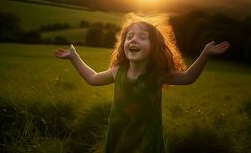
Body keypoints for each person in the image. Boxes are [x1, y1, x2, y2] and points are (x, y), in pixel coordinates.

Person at [54, 14, 230, 153]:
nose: (133, 40)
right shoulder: (118, 72)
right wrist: (73, 57)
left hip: (146, 142)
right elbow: (92, 78)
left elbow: (188, 77)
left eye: (141, 37)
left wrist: (205, 53)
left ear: (154, 47)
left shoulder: (158, 75)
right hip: (118, 138)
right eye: (129, 37)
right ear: (123, 44)